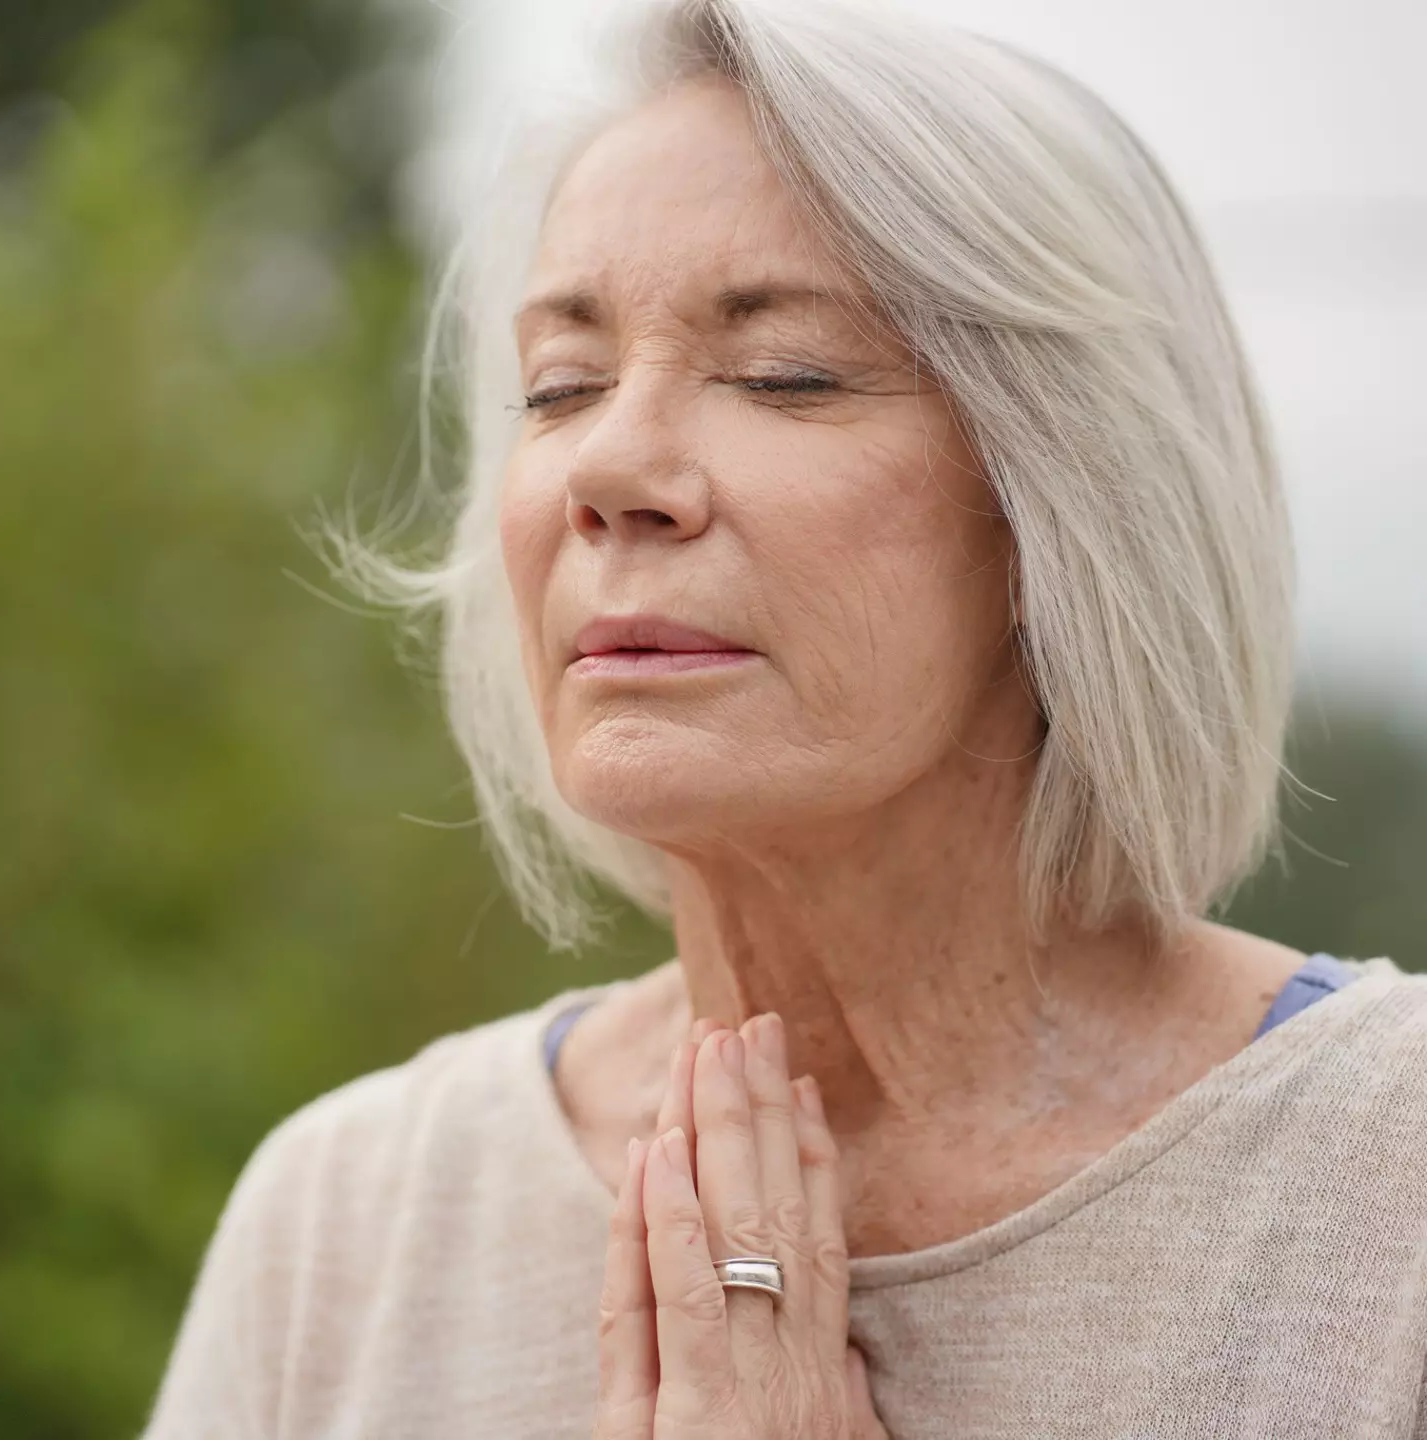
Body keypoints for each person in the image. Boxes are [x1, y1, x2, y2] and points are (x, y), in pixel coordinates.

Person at [146, 1, 1427, 1435]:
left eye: (784, 376)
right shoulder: (348, 1222)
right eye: (561, 387)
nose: (610, 468)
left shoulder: (1388, 1189)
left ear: (1063, 499)